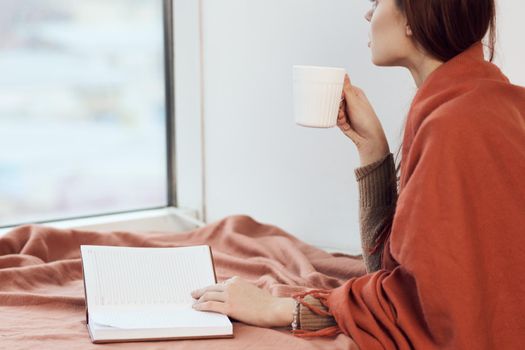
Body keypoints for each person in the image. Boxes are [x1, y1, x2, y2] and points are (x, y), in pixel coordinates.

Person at [191, 0, 525, 348]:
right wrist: (374, 150)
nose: (368, 14)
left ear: (413, 16)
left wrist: (279, 307)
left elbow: (421, 309)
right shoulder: (485, 102)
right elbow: (396, 269)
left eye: (377, 2)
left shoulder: (453, 125)